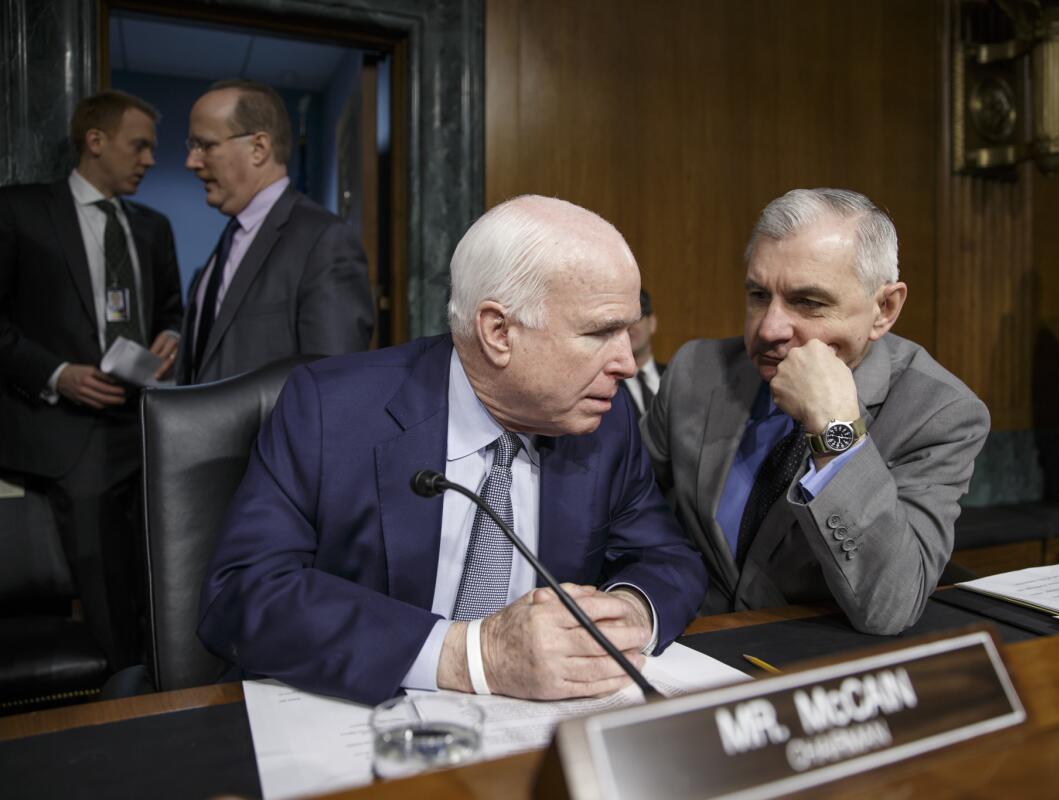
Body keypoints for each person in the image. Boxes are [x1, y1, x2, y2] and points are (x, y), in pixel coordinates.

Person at [197, 195, 707, 705]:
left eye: (629, 329)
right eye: (600, 332)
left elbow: (667, 558)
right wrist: (471, 653)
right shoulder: (331, 409)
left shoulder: (605, 419)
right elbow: (245, 592)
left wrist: (631, 612)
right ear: (499, 332)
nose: (626, 362)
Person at [641, 188, 989, 634]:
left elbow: (890, 606)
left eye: (809, 302)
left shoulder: (939, 412)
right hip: (683, 644)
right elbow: (629, 513)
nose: (770, 328)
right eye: (758, 295)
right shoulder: (698, 371)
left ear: (884, 309)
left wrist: (835, 431)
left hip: (813, 664)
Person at [0, 90, 183, 668]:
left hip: (147, 427)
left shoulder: (153, 227)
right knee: (103, 593)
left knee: (160, 575)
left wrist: (171, 339)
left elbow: (172, 311)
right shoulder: (18, 211)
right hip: (64, 432)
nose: (150, 159)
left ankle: (161, 683)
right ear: (95, 141)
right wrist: (56, 374)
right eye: (140, 145)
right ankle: (117, 702)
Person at [176, 79, 373, 385]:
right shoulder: (232, 237)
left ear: (259, 148)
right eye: (192, 146)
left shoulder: (324, 240)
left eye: (205, 145)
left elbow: (334, 384)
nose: (191, 161)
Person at [620, 289, 666, 417]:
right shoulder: (604, 385)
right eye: (621, 320)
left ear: (652, 323)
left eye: (636, 318)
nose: (628, 327)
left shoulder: (675, 379)